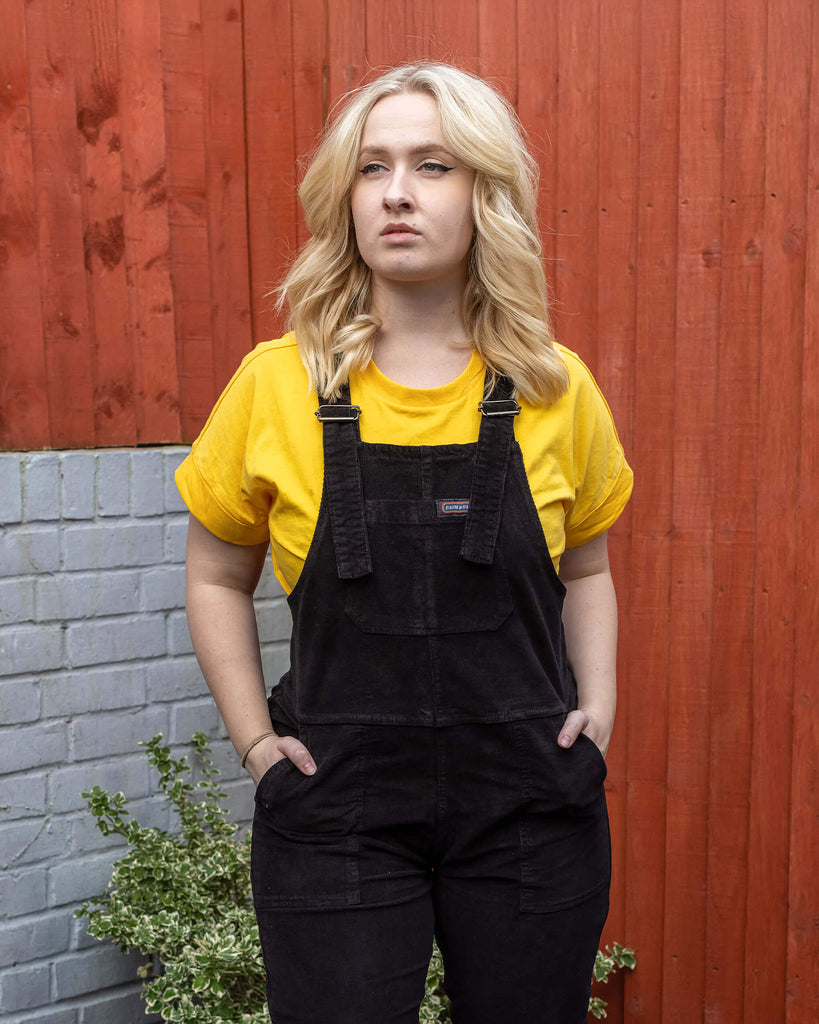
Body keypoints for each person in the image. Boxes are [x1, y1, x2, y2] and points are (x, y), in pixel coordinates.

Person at [176, 61, 633, 1024]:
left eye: (432, 165)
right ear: (343, 197)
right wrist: (256, 746)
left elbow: (587, 567)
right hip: (336, 813)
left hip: (527, 810)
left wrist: (595, 712)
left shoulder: (554, 387)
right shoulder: (274, 385)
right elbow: (215, 574)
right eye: (371, 166)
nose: (395, 192)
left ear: (484, 195)